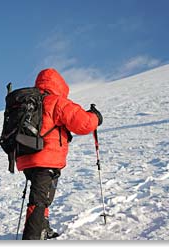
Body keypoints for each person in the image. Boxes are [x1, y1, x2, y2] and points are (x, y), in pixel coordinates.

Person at [16, 68, 103, 240]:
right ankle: (31, 238)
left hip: (26, 156)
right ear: (59, 84)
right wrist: (96, 117)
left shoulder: (29, 103)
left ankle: (42, 227)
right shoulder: (56, 101)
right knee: (39, 200)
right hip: (46, 158)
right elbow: (83, 123)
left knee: (43, 196)